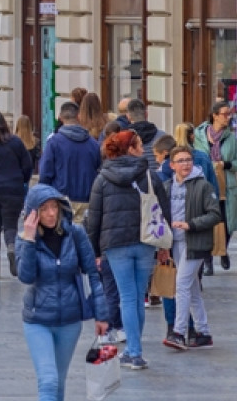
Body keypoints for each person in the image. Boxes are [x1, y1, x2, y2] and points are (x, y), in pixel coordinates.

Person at [85, 130, 170, 371]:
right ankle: (134, 350)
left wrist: (96, 251)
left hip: (115, 244)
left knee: (128, 297)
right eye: (139, 145)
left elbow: (95, 218)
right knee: (138, 295)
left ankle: (134, 352)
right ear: (130, 149)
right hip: (145, 241)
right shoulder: (150, 176)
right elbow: (164, 211)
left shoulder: (102, 178)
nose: (143, 149)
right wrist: (165, 246)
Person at [16, 185, 109, 401]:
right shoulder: (26, 239)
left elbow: (93, 275)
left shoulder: (75, 233)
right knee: (48, 381)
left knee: (58, 382)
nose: (50, 213)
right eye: (44, 209)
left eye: (54, 207)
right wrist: (29, 239)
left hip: (69, 319)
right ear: (33, 212)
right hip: (38, 319)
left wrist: (101, 314)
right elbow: (26, 277)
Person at [162, 146, 222, 350]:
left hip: (195, 243)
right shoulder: (167, 186)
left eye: (188, 160)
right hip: (175, 243)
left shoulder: (203, 186)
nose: (185, 164)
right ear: (172, 165)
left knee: (182, 285)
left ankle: (179, 332)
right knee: (193, 288)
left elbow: (215, 214)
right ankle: (203, 332)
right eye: (181, 161)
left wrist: (191, 224)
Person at [192, 99, 237, 271]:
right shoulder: (198, 135)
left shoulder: (231, 138)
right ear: (214, 116)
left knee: (226, 222)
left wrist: (226, 164)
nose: (228, 118)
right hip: (205, 184)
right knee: (208, 221)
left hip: (226, 185)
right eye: (224, 114)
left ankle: (223, 250)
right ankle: (208, 261)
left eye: (229, 114)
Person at [0, 111, 34, 278]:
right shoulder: (16, 142)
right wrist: (22, 181)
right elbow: (27, 165)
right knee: (10, 225)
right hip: (13, 189)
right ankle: (11, 246)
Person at [38, 101, 102, 224]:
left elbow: (45, 172)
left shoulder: (54, 143)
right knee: (84, 239)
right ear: (78, 117)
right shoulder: (93, 143)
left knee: (63, 237)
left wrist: (44, 197)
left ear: (61, 118)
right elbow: (99, 170)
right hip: (87, 199)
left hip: (61, 199)